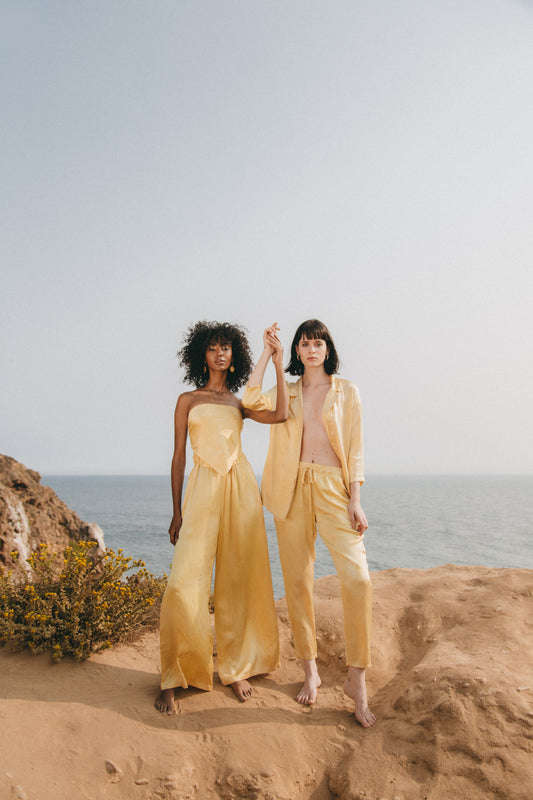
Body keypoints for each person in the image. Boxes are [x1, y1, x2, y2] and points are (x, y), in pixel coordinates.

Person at [242, 319, 376, 727]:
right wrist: (268, 353)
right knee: (298, 581)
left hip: (335, 489)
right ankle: (310, 669)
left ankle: (357, 680)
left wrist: (355, 500)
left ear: (327, 349)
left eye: (318, 343)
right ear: (298, 352)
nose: (312, 349)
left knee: (358, 578)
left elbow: (354, 450)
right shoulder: (290, 391)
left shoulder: (346, 391)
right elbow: (248, 399)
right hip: (293, 486)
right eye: (305, 343)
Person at [155, 320, 288, 715]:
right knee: (183, 583)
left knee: (238, 577)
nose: (220, 353)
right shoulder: (187, 400)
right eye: (213, 347)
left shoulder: (239, 403)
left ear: (234, 357)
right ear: (203, 355)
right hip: (201, 489)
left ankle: (237, 666)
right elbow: (178, 457)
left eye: (226, 348)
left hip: (239, 487)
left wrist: (277, 362)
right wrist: (177, 511)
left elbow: (281, 414)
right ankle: (177, 675)